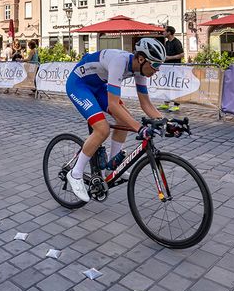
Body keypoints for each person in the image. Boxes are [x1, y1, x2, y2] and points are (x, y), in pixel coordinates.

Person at [63, 38, 170, 203]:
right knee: (102, 129)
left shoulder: (139, 70)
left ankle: (111, 168)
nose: (157, 70)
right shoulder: (119, 62)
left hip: (98, 87)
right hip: (79, 85)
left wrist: (166, 123)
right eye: (155, 65)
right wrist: (140, 128)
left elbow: (146, 104)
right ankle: (75, 173)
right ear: (141, 59)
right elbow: (113, 105)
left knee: (124, 120)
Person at [159, 26, 184, 113]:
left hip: (175, 67)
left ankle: (176, 105)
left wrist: (170, 58)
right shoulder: (167, 42)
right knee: (166, 85)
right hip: (167, 67)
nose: (163, 33)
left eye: (164, 31)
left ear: (169, 32)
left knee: (175, 86)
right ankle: (166, 103)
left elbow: (182, 54)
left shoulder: (176, 42)